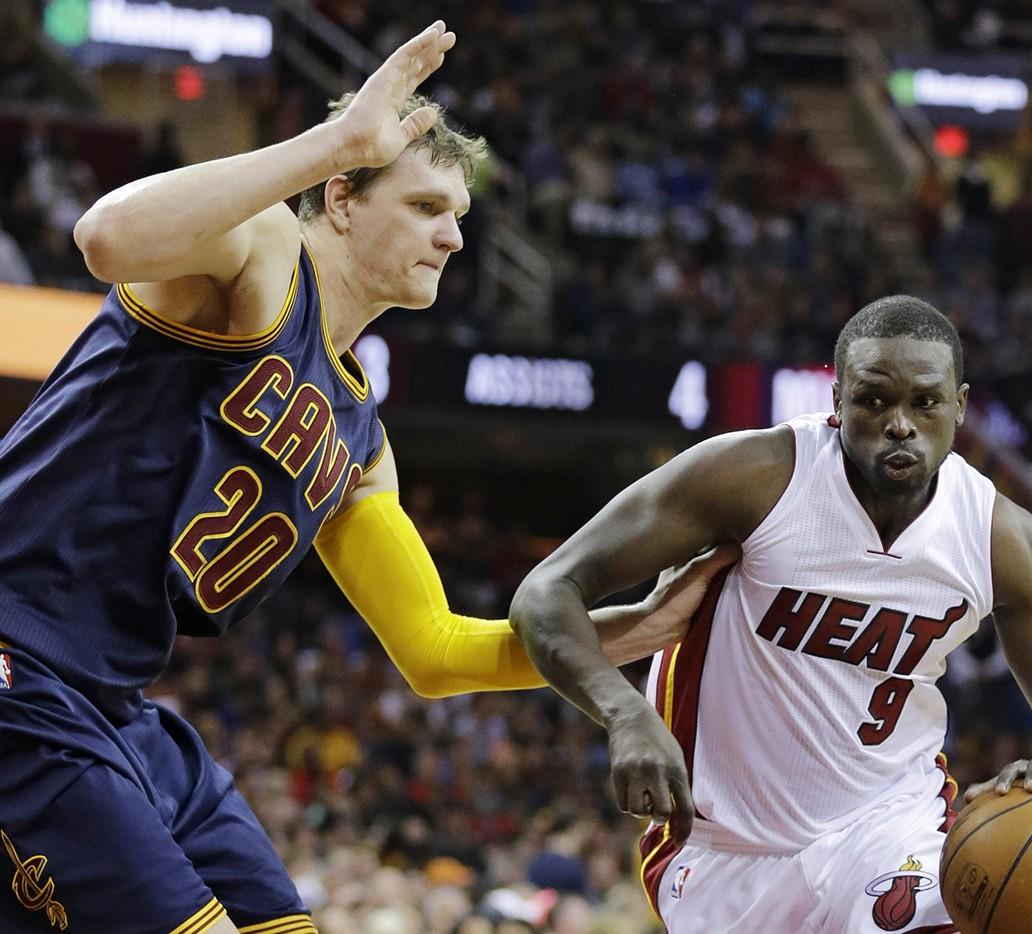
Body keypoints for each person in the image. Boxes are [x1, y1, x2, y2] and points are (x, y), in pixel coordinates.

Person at [0, 22, 735, 934]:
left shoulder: (360, 441)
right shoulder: (264, 254)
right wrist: (335, 142)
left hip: (116, 708)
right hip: (18, 661)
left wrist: (636, 628)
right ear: (342, 199)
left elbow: (435, 651)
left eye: (458, 216)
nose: (453, 237)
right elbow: (106, 235)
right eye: (426, 206)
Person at [510, 296, 1032, 932]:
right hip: (725, 850)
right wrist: (625, 715)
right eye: (874, 400)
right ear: (838, 401)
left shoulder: (1000, 538)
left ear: (960, 406)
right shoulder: (756, 477)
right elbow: (545, 593)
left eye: (925, 402)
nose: (900, 424)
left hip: (891, 829)